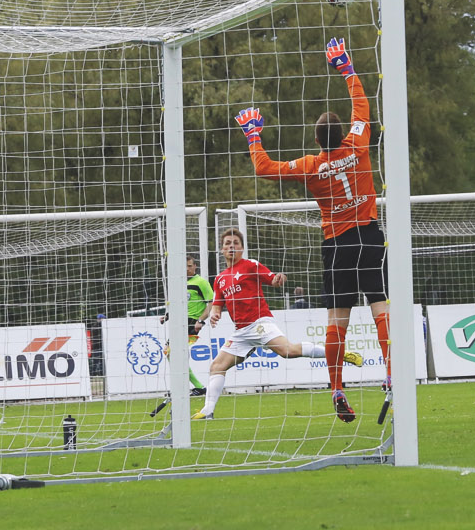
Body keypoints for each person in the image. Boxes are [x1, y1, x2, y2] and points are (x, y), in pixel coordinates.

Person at [235, 37, 387, 423]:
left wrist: (254, 134)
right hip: (369, 236)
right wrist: (346, 68)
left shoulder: (310, 166)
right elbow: (362, 106)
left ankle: (336, 386)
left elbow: (264, 168)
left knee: (338, 321)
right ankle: (391, 375)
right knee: (381, 309)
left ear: (318, 141)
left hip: (336, 245)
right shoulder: (359, 143)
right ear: (343, 133)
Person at [194, 228, 362, 420]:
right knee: (217, 366)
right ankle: (207, 411)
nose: (231, 246)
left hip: (259, 323)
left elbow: (272, 280)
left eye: (235, 243)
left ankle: (339, 354)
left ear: (242, 248)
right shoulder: (220, 279)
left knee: (288, 351)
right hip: (241, 332)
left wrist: (278, 278)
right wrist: (215, 315)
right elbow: (217, 305)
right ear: (222, 249)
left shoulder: (250, 265)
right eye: (227, 243)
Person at [160, 255, 213, 396]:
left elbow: (211, 303)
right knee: (169, 352)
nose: (187, 269)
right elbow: (178, 305)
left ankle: (188, 387)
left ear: (195, 266)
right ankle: (195, 387)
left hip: (191, 322)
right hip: (179, 322)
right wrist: (167, 317)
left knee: (173, 352)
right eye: (185, 266)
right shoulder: (179, 283)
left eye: (190, 266)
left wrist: (200, 320)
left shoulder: (201, 282)